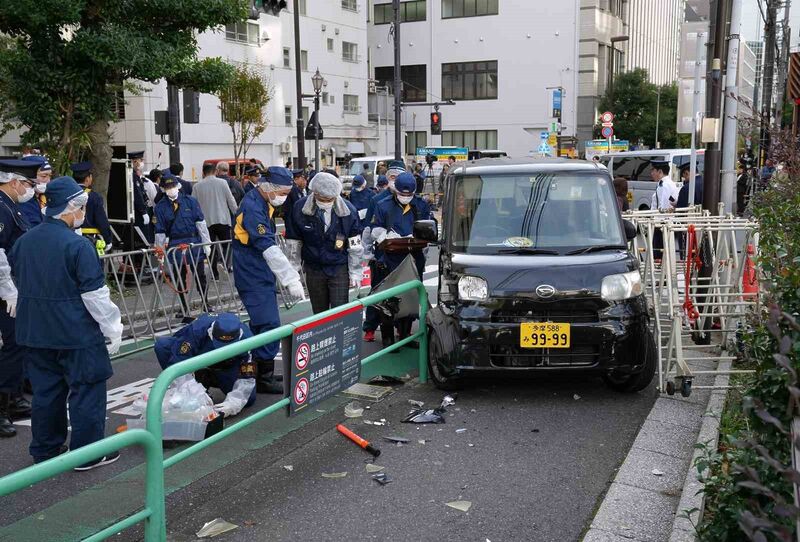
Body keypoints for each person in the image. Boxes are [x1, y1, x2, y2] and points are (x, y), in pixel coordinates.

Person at [12, 176, 123, 467]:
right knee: (87, 390)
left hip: (34, 332)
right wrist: (113, 329)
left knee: (46, 392)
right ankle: (87, 454)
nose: (82, 215)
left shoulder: (24, 241)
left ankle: (45, 451)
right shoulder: (78, 246)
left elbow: (17, 279)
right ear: (71, 208)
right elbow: (95, 296)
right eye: (81, 208)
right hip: (76, 333)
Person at [232, 166, 305, 393]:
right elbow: (268, 247)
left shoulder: (262, 202)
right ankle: (264, 377)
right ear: (269, 187)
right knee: (269, 323)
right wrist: (290, 278)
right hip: (252, 271)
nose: (284, 197)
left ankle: (258, 372)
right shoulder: (253, 208)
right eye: (282, 192)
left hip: (258, 270)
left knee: (259, 325)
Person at [286, 172, 363, 314]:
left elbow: (355, 245)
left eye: (329, 199)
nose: (325, 201)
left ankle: (338, 336)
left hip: (338, 266)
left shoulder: (348, 212)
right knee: (319, 313)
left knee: (340, 311)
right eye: (322, 198)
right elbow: (293, 243)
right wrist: (292, 274)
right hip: (313, 267)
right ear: (314, 192)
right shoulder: (300, 208)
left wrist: (356, 271)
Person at [154, 312, 256, 417]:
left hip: (225, 366)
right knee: (162, 345)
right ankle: (197, 379)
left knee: (249, 399)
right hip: (196, 361)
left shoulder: (247, 338)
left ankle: (210, 377)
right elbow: (177, 362)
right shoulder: (197, 329)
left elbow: (247, 376)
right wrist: (195, 392)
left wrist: (234, 402)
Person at [370, 172, 432, 345]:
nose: (406, 198)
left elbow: (428, 225)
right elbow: (375, 228)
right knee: (388, 299)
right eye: (402, 194)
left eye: (409, 195)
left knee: (410, 297)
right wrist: (386, 236)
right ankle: (388, 337)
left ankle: (405, 336)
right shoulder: (383, 205)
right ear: (395, 190)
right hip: (390, 258)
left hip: (414, 256)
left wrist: (420, 235)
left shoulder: (421, 205)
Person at [0, 160, 35, 438]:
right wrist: (8, 290)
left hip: (13, 286)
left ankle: (12, 399)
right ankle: (2, 408)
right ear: (14, 182)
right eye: (27, 183)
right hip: (4, 292)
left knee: (16, 345)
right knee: (10, 347)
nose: (30, 189)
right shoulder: (2, 206)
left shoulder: (11, 206)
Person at [154, 172, 212, 318]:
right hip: (175, 245)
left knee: (200, 275)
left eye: (173, 186)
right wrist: (159, 251)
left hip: (193, 243)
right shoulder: (160, 207)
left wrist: (207, 243)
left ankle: (205, 303)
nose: (171, 189)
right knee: (179, 277)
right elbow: (160, 232)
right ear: (163, 189)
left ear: (178, 186)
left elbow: (201, 223)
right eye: (167, 187)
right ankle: (184, 307)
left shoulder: (190, 201)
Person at [361, 161, 405, 343]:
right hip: (381, 254)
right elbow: (368, 228)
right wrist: (369, 252)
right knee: (377, 290)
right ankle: (370, 327)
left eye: (399, 177)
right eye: (392, 177)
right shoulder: (377, 200)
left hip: (404, 253)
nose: (395, 181)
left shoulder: (409, 199)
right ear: (387, 179)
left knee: (403, 293)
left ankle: (402, 329)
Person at [193, 163, 238, 279]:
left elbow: (194, 205)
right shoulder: (223, 183)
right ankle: (226, 266)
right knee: (227, 244)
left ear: (203, 173)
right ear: (215, 172)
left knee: (211, 248)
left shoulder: (197, 186)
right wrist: (237, 214)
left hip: (206, 222)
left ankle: (215, 274)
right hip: (223, 219)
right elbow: (231, 200)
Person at [71, 161, 114, 252]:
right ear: (87, 178)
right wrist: (108, 239)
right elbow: (101, 220)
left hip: (70, 238)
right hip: (90, 239)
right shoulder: (94, 197)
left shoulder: (67, 195)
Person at [19, 155, 52, 227]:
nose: (48, 180)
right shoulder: (22, 199)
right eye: (44, 176)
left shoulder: (43, 197)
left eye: (50, 176)